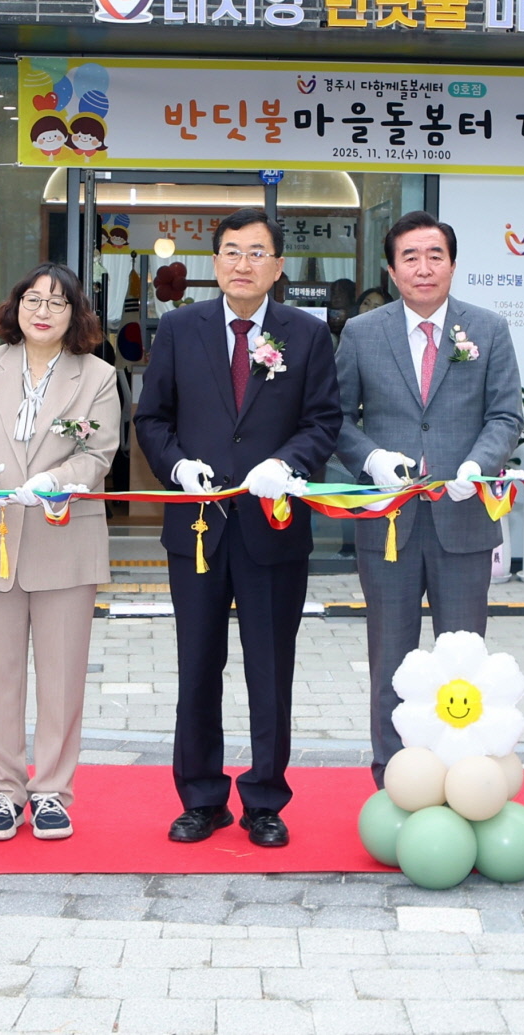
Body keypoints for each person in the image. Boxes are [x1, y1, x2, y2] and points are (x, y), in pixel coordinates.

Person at [135, 206, 340, 849]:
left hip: (272, 528)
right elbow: (152, 420)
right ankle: (200, 797)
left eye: (257, 252)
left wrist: (288, 461)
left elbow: (323, 421)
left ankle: (264, 799)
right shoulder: (179, 329)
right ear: (214, 262)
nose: (242, 263)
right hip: (196, 526)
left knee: (270, 666)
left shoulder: (307, 334)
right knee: (197, 662)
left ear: (277, 266)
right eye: (230, 251)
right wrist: (177, 467)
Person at [334, 210, 524, 781]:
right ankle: (393, 775)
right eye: (410, 257)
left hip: (462, 518)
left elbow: (504, 414)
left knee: (462, 656)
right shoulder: (363, 333)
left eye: (434, 255)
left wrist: (477, 463)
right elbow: (336, 417)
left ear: (453, 264)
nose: (423, 267)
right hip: (387, 520)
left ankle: (463, 771)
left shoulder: (487, 329)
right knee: (390, 657)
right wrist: (371, 458)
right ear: (392, 270)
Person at [0, 265, 118, 842]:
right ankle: (2, 790)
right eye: (33, 299)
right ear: (15, 307)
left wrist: (59, 478)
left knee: (63, 674)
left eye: (58, 302)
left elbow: (100, 451)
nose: (43, 310)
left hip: (63, 536)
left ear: (76, 316)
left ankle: (52, 792)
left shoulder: (95, 376)